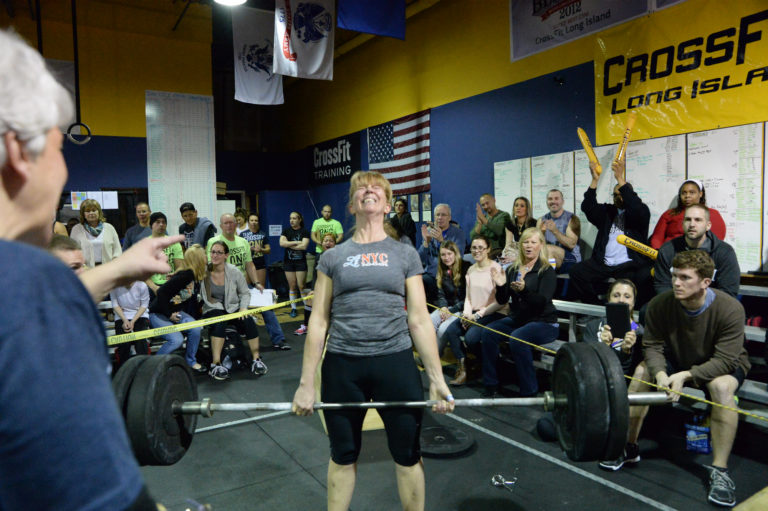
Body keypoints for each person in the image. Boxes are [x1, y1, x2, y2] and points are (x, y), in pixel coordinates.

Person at [0, 28, 179, 508]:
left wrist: (117, 269)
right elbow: (98, 498)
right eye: (58, 150)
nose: (62, 172)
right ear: (18, 152)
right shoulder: (34, 285)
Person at [291, 170, 454, 511]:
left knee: (408, 454)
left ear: (388, 204)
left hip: (394, 362)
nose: (368, 189)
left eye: (376, 187)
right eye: (360, 188)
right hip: (343, 365)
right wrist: (306, 384)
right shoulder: (332, 257)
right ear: (351, 205)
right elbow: (318, 320)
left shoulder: (404, 254)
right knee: (343, 453)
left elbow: (419, 319)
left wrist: (437, 379)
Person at [601, 251, 750, 508]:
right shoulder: (660, 304)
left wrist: (686, 376)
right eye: (674, 276)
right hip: (679, 357)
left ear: (705, 282)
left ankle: (720, 471)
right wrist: (660, 374)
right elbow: (653, 346)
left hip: (720, 363)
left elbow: (726, 360)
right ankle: (629, 446)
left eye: (685, 278)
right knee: (642, 371)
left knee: (721, 387)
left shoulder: (730, 308)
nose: (676, 283)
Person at [481, 227, 559, 397]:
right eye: (525, 242)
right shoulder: (513, 269)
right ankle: (491, 384)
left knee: (517, 337)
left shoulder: (546, 271)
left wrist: (524, 291)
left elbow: (541, 301)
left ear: (541, 245)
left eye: (533, 242)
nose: (529, 246)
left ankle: (529, 390)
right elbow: (503, 299)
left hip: (544, 322)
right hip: (520, 320)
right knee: (488, 333)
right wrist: (500, 285)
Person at [568, 157, 653, 305]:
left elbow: (635, 207)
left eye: (622, 194)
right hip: (603, 263)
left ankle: (632, 313)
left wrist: (619, 178)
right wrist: (594, 180)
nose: (618, 198)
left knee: (643, 278)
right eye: (615, 195)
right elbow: (587, 207)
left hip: (628, 265)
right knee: (576, 271)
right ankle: (595, 307)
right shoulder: (607, 212)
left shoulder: (640, 212)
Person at [210, 213, 289, 350]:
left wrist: (257, 283)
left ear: (236, 224)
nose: (229, 225)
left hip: (243, 287)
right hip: (223, 289)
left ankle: (279, 339)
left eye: (231, 222)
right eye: (226, 223)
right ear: (221, 226)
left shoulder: (243, 242)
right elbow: (211, 266)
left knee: (266, 306)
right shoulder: (214, 242)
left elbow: (249, 264)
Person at [441, 235, 507, 386]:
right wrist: (466, 313)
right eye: (474, 248)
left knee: (471, 338)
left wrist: (476, 316)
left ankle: (487, 363)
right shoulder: (471, 269)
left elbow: (499, 302)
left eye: (480, 248)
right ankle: (463, 370)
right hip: (474, 313)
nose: (477, 251)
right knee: (451, 331)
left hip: (492, 313)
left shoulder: (496, 269)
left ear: (488, 249)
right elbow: (468, 297)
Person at [203, 240, 268, 381]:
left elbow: (245, 293)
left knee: (248, 320)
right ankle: (215, 364)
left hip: (232, 307)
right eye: (213, 252)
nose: (215, 255)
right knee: (220, 321)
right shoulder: (204, 271)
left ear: (226, 255)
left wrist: (243, 308)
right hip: (212, 308)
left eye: (219, 252)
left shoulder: (234, 271)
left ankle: (256, 359)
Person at [654, 204, 740, 298]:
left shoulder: (724, 252)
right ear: (682, 224)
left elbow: (728, 292)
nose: (692, 224)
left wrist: (698, 303)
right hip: (675, 303)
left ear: (708, 226)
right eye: (688, 220)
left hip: (710, 305)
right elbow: (662, 285)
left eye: (698, 220)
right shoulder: (667, 250)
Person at [148, 244, 207, 372]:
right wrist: (169, 314)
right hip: (158, 313)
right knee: (176, 340)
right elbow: (161, 292)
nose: (206, 258)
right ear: (197, 259)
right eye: (204, 255)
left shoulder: (191, 275)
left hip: (175, 312)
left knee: (195, 328)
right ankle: (153, 367)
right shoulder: (186, 275)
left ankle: (190, 361)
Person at [581, 279, 642, 376]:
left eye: (627, 296)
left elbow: (629, 374)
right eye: (616, 295)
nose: (621, 300)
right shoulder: (593, 326)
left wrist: (625, 351)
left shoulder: (640, 333)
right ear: (609, 299)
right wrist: (602, 346)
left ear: (633, 302)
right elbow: (585, 361)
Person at [649, 179, 726, 249]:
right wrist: (659, 254)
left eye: (692, 192)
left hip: (700, 256)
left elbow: (717, 241)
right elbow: (657, 238)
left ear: (700, 194)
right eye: (684, 193)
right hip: (669, 254)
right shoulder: (669, 214)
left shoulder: (712, 214)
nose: (687, 196)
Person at [418, 203, 465, 304]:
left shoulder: (458, 233)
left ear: (449, 217)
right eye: (437, 215)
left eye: (443, 215)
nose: (440, 217)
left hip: (448, 275)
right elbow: (420, 259)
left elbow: (458, 256)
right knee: (416, 282)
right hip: (431, 274)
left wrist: (441, 241)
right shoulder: (429, 231)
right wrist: (426, 242)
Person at [430, 240, 471, 355]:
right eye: (443, 254)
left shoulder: (466, 267)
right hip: (447, 308)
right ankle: (429, 356)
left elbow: (468, 298)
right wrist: (443, 307)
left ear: (455, 253)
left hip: (462, 309)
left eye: (449, 254)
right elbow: (440, 294)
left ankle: (436, 356)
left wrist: (451, 311)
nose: (446, 257)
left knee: (443, 329)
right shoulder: (442, 270)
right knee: (430, 321)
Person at [296, 232, 337, 335]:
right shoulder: (319, 257)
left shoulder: (338, 257)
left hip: (334, 288)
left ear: (335, 244)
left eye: (331, 241)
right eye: (326, 241)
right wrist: (313, 290)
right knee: (310, 299)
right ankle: (306, 326)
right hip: (321, 286)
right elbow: (315, 275)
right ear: (322, 243)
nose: (328, 243)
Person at [109, 280, 151, 370]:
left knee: (141, 341)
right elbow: (115, 304)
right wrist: (125, 320)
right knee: (124, 343)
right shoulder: (114, 286)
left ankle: (144, 367)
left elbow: (144, 305)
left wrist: (132, 321)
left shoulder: (142, 285)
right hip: (121, 315)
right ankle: (123, 368)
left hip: (140, 314)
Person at [537, 189, 581, 272]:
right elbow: (537, 245)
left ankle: (548, 276)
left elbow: (571, 244)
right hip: (550, 258)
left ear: (563, 201)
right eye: (550, 199)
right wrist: (542, 233)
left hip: (571, 260)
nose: (553, 201)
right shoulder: (541, 220)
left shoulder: (571, 218)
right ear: (547, 202)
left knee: (548, 249)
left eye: (556, 198)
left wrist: (555, 231)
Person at [70, 198, 122, 267]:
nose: (91, 213)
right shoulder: (76, 229)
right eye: (87, 211)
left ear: (99, 212)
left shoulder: (109, 228)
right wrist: (81, 267)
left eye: (94, 210)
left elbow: (117, 251)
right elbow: (73, 251)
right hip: (85, 270)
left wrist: (114, 265)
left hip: (108, 269)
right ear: (83, 214)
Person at [280, 211, 311, 318]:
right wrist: (297, 242)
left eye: (294, 218)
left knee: (301, 286)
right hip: (288, 262)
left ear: (299, 219)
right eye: (290, 218)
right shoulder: (286, 231)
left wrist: (288, 244)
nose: (291, 220)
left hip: (300, 262)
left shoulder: (304, 231)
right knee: (292, 286)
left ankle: (307, 308)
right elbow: (281, 243)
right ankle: (293, 308)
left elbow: (304, 246)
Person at [146, 211, 184, 295]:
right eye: (157, 222)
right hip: (152, 286)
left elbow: (180, 267)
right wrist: (154, 288)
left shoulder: (174, 243)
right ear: (151, 225)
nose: (161, 224)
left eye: (163, 222)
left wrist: (174, 278)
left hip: (171, 283)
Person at [470, 193, 511, 258]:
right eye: (483, 205)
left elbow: (499, 231)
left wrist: (483, 219)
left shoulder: (504, 215)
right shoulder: (483, 218)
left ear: (494, 200)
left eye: (487, 203)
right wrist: (480, 224)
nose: (486, 206)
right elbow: (473, 237)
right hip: (482, 252)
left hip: (498, 251)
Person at [501, 196, 537, 263]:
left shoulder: (534, 224)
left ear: (527, 209)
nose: (518, 208)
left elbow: (534, 245)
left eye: (522, 206)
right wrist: (506, 254)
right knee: (506, 257)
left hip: (529, 250)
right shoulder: (510, 224)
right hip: (516, 251)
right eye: (516, 205)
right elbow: (508, 244)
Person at [239, 212, 270, 286]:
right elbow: (239, 250)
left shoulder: (262, 234)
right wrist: (247, 249)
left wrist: (261, 250)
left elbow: (268, 250)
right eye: (252, 220)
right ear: (248, 222)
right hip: (247, 263)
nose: (254, 222)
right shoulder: (242, 234)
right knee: (245, 288)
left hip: (260, 263)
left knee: (260, 287)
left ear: (258, 222)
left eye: (256, 220)